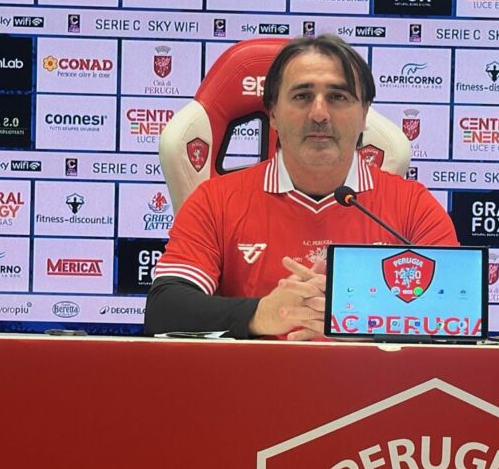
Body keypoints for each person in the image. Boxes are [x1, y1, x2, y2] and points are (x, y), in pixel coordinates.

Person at [144, 34, 458, 340]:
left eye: (338, 97)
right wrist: (260, 314)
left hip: (370, 376)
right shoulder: (215, 201)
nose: (319, 114)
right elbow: (164, 310)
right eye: (302, 96)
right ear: (273, 113)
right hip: (252, 376)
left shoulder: (413, 206)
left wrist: (356, 319)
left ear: (364, 114)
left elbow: (459, 310)